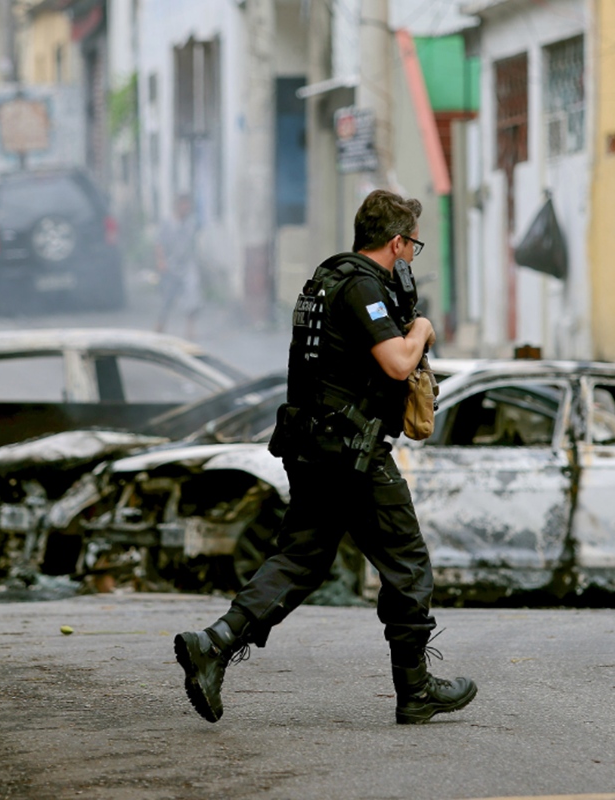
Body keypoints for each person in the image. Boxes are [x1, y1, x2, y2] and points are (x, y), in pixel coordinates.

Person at [173, 189, 477, 725]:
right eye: (412, 247)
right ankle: (415, 690)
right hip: (351, 455)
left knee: (299, 560)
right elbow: (398, 362)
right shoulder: (362, 288)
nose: (411, 258)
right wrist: (423, 328)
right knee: (408, 565)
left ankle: (213, 644)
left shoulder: (324, 280)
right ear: (398, 241)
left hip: (314, 447)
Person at [154, 194, 202, 340]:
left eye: (188, 205)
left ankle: (190, 329)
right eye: (183, 205)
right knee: (167, 298)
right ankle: (160, 326)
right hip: (171, 265)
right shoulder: (168, 222)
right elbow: (159, 243)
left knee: (192, 295)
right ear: (177, 205)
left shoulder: (191, 223)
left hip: (187, 265)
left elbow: (194, 243)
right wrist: (161, 261)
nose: (186, 208)